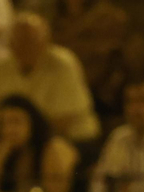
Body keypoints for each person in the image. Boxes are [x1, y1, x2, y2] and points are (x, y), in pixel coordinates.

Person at [0, 13, 101, 147]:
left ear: (47, 41)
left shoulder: (64, 64)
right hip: (17, 143)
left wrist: (23, 141)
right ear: (11, 43)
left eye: (32, 40)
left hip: (71, 140)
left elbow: (65, 120)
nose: (27, 46)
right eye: (21, 40)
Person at [52, 0, 132, 128]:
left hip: (99, 91)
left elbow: (108, 53)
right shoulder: (54, 17)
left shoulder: (109, 17)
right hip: (60, 86)